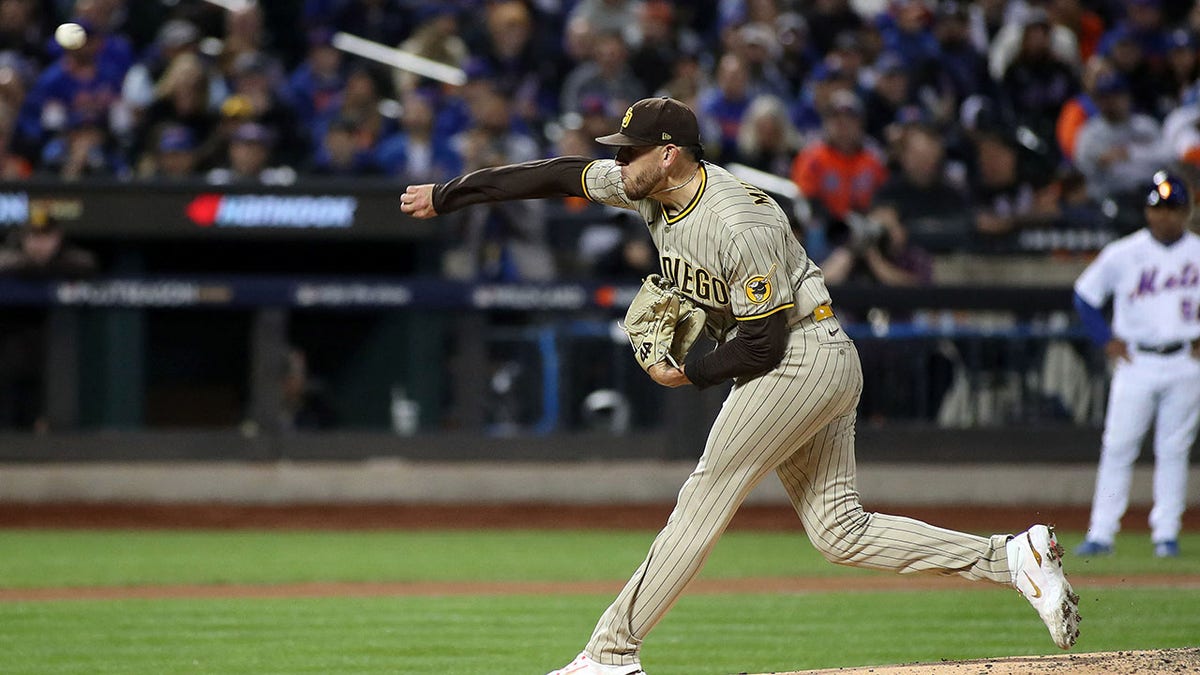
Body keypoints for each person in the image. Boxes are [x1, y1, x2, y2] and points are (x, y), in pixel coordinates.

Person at [400, 96, 1080, 675]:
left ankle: (610, 652)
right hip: (809, 359)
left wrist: (685, 372)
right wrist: (450, 194)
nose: (619, 162)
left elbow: (763, 342)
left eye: (630, 151)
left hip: (799, 355)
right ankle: (1010, 556)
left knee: (703, 496)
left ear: (670, 154)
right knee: (840, 532)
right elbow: (554, 175)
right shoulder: (646, 187)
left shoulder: (738, 219)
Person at [1072, 171, 1200, 559]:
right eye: (1158, 208)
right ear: (1146, 211)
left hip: (1184, 360)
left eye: (1173, 208)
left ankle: (1166, 534)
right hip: (1137, 361)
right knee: (1118, 446)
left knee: (1174, 449)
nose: (1165, 216)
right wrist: (1105, 339)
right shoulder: (1124, 253)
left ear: (1188, 211)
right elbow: (1084, 296)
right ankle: (1102, 532)